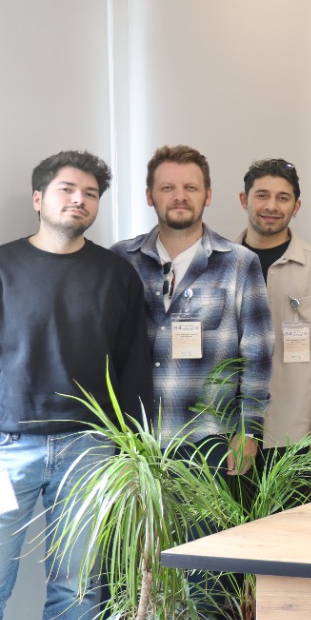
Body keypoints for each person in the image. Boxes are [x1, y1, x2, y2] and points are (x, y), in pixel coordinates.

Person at [0, 151, 152, 620]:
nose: (79, 200)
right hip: (3, 454)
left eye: (90, 194)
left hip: (90, 454)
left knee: (79, 591)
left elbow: (133, 372)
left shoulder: (116, 276)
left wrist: (134, 462)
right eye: (67, 189)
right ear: (38, 198)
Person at [114, 145, 272, 454]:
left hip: (210, 440)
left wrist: (249, 430)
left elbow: (258, 354)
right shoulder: (121, 260)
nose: (180, 196)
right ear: (149, 196)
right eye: (167, 188)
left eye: (191, 188)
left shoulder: (239, 263)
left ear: (207, 196)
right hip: (134, 441)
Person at [237, 158, 311, 450]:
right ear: (244, 200)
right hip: (229, 429)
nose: (272, 206)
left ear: (296, 206)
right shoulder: (221, 265)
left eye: (283, 198)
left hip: (295, 428)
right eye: (262, 195)